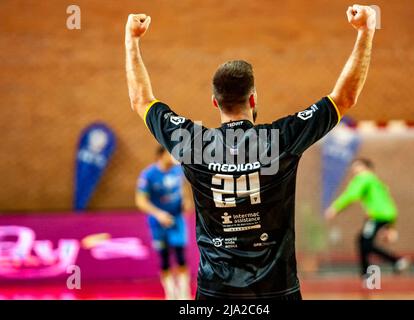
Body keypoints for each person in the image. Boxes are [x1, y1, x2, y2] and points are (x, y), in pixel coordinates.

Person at [125, 5, 377, 299]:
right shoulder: (279, 139)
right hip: (277, 291)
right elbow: (344, 97)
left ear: (215, 103)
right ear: (253, 98)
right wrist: (365, 31)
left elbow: (140, 99)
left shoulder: (192, 142)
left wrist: (132, 39)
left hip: (216, 293)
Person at [325, 158, 410, 278]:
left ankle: (393, 262)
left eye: (357, 166)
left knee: (365, 243)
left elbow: (351, 195)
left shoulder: (364, 178)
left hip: (376, 216)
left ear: (366, 168)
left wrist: (335, 208)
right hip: (386, 216)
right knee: (363, 241)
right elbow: (387, 203)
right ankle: (389, 264)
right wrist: (391, 226)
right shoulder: (376, 181)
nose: (354, 170)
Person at [135, 146, 193, 300]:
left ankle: (184, 292)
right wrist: (158, 214)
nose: (174, 157)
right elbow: (140, 201)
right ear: (161, 155)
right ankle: (170, 293)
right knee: (165, 257)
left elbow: (183, 190)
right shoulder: (148, 175)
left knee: (181, 256)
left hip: (176, 219)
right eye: (170, 154)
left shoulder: (178, 171)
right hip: (158, 222)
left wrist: (186, 201)